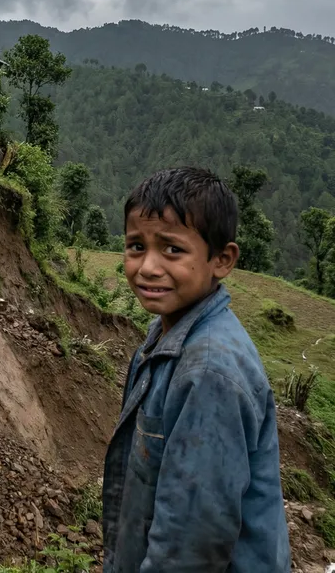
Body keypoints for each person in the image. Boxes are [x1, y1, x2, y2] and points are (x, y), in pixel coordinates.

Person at [102, 167, 291, 572]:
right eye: (136, 246)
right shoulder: (165, 335)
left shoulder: (208, 373)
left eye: (172, 250)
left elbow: (191, 546)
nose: (148, 266)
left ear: (222, 260)